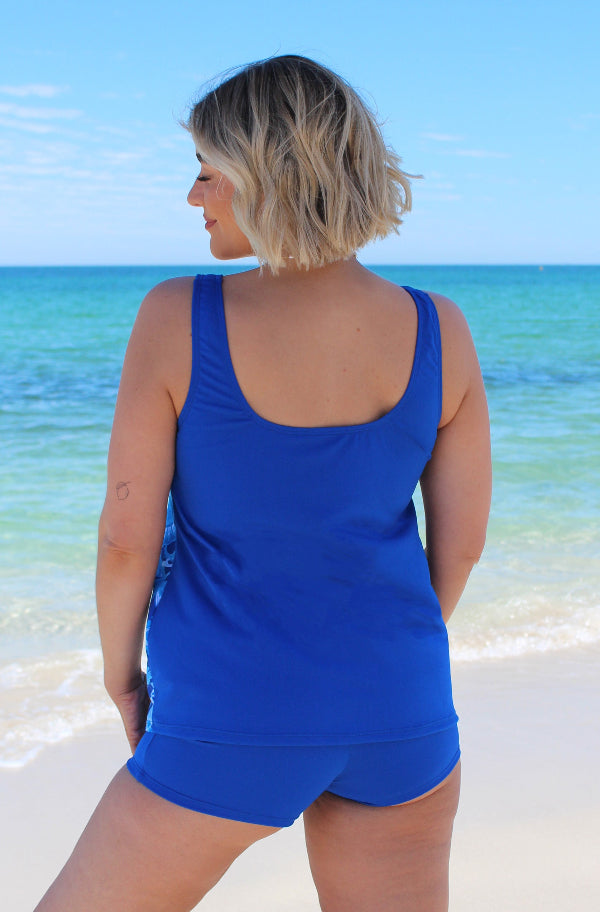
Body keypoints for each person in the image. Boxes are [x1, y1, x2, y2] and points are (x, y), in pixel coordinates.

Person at [35, 55, 491, 912]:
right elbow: (460, 544)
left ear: (265, 176)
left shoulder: (178, 315)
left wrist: (120, 674)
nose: (193, 197)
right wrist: (379, 663)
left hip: (226, 707)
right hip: (402, 707)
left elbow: (126, 535)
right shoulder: (441, 327)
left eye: (208, 174)